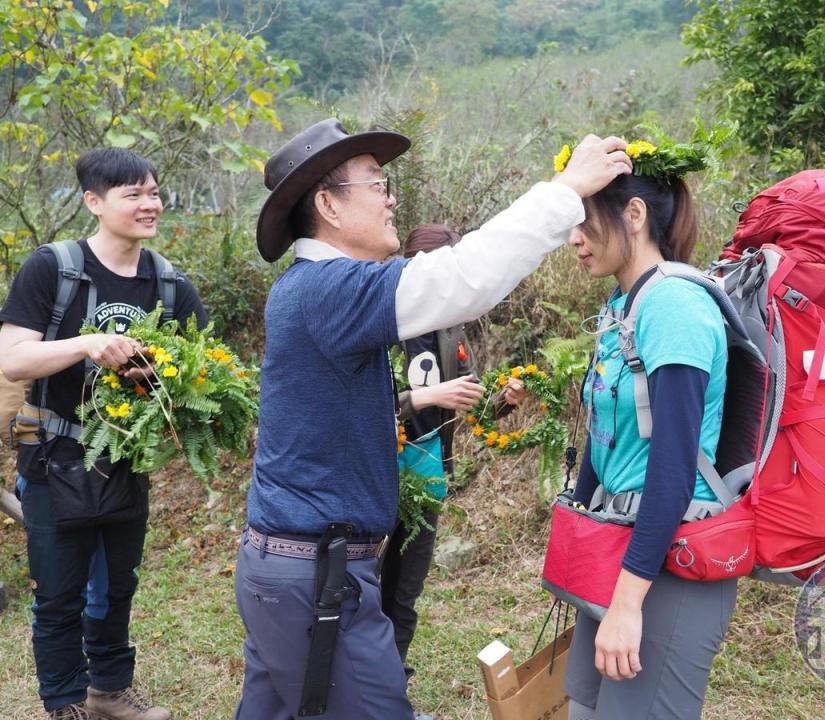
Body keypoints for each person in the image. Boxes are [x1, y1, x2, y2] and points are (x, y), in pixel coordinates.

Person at [234, 118, 630, 720]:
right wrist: (567, 190)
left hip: (295, 569)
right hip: (313, 578)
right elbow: (459, 279)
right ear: (327, 205)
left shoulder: (316, 290)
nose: (391, 198)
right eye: (375, 184)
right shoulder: (326, 288)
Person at [0, 148, 207, 719]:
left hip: (124, 459)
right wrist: (88, 343)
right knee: (59, 594)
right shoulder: (54, 268)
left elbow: (202, 367)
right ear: (93, 202)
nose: (150, 205)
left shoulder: (167, 284)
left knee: (117, 587)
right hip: (52, 454)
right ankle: (65, 703)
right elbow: (13, 360)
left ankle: (110, 693)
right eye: (133, 195)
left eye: (154, 193)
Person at [562, 145, 736, 719]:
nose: (573, 239)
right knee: (584, 706)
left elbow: (674, 467)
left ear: (633, 215)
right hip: (621, 545)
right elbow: (604, 438)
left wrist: (628, 601)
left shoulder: (675, 309)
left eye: (583, 222)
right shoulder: (623, 306)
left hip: (669, 562)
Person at [383, 223, 528, 679]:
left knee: (405, 589)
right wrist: (425, 397)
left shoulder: (451, 330)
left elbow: (472, 406)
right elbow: (359, 405)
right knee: (362, 584)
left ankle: (392, 679)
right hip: (376, 474)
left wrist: (504, 400)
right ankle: (357, 683)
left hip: (425, 476)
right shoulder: (383, 322)